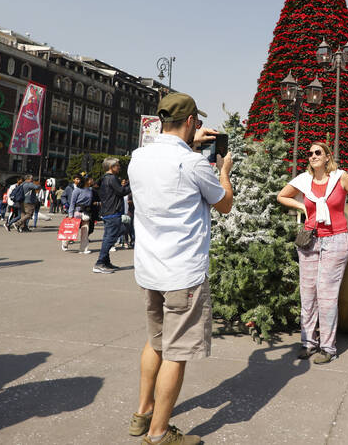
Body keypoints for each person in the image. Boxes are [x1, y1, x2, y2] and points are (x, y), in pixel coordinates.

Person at [128, 92, 233, 445]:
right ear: (190, 122)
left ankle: (142, 414)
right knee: (176, 353)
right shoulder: (193, 165)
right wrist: (224, 171)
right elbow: (225, 205)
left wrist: (190, 142)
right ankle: (159, 434)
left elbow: (166, 156)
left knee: (154, 343)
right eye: (197, 124)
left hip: (149, 269)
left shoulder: (138, 158)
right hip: (183, 274)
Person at [278, 141, 348, 364]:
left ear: (327, 157)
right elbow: (282, 196)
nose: (313, 156)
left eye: (317, 152)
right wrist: (302, 206)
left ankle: (328, 347)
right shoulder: (304, 181)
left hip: (335, 241)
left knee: (326, 295)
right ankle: (308, 343)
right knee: (308, 294)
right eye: (310, 153)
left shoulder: (340, 178)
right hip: (310, 240)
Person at [95, 158, 131, 272]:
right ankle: (100, 263)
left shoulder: (104, 178)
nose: (119, 167)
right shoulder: (112, 178)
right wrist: (132, 185)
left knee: (108, 237)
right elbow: (122, 191)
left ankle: (106, 262)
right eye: (117, 165)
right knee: (110, 238)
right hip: (113, 212)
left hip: (107, 211)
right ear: (111, 167)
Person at [65, 176, 94, 254]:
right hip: (77, 212)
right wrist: (70, 214)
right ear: (86, 181)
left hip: (86, 212)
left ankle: (83, 249)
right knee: (72, 229)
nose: (92, 180)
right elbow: (72, 202)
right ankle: (65, 242)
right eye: (91, 179)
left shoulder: (90, 190)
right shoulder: (77, 190)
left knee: (85, 231)